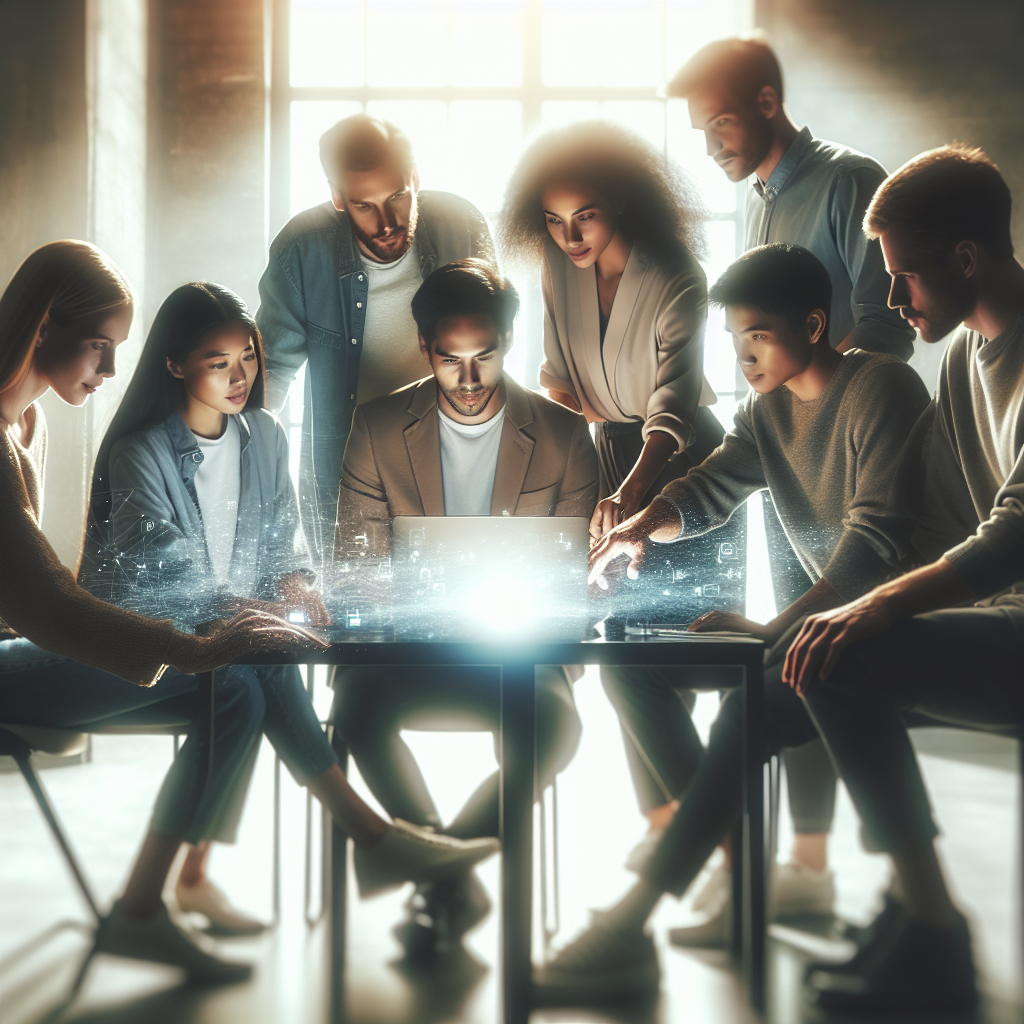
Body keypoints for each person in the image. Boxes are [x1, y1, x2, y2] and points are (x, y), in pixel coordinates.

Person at [535, 242, 930, 1000]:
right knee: (641, 666)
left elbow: (876, 549)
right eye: (734, 339)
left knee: (752, 703)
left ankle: (632, 921)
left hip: (900, 619)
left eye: (758, 335)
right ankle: (725, 853)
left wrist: (772, 628)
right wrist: (638, 528)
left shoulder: (883, 388)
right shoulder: (765, 410)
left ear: (813, 325)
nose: (743, 354)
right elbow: (710, 489)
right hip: (835, 623)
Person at [82, 281, 501, 937]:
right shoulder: (142, 451)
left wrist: (298, 582)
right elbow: (158, 569)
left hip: (230, 635)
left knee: (249, 673)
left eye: (246, 355)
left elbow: (285, 541)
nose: (239, 374)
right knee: (247, 672)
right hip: (149, 640)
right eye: (217, 362)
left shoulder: (264, 436)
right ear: (174, 364)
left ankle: (199, 878)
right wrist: (246, 608)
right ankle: (371, 834)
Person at [0, 240, 320, 984]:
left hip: (21, 642)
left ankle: (149, 904)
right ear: (43, 328)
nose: (110, 371)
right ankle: (149, 907)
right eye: (99, 348)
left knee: (236, 682)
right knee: (230, 678)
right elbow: (48, 604)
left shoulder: (28, 427)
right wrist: (190, 645)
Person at [664, 36, 917, 919]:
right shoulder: (759, 202)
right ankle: (795, 868)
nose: (713, 147)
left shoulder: (847, 180)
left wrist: (834, 410)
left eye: (722, 123)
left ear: (769, 102)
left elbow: (888, 324)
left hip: (848, 447)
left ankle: (810, 865)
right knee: (798, 653)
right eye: (701, 132)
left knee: (817, 640)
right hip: (784, 445)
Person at [782, 144, 1023, 1014]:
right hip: (1006, 623)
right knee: (820, 659)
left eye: (905, 276)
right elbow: (946, 522)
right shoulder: (962, 358)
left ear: (966, 259)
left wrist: (870, 610)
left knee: (847, 662)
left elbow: (1011, 538)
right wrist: (835, 605)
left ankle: (934, 937)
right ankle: (906, 904)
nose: (888, 301)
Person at [332, 259, 597, 958]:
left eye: (486, 357)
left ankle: (436, 872)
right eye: (452, 361)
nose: (470, 379)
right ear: (425, 350)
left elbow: (569, 588)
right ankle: (449, 878)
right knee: (355, 710)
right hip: (405, 653)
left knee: (556, 727)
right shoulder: (378, 427)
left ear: (510, 342)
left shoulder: (567, 436)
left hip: (520, 654)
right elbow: (356, 570)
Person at [499, 120, 728, 876]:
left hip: (689, 465)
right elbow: (558, 380)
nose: (569, 236)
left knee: (676, 651)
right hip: (612, 454)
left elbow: (673, 409)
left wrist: (631, 489)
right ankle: (672, 824)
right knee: (624, 646)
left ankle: (720, 846)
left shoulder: (676, 276)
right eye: (554, 221)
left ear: (622, 203)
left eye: (585, 215)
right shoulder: (557, 275)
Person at [257, 114, 495, 568]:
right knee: (353, 622)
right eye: (364, 205)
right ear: (338, 198)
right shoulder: (302, 251)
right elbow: (267, 382)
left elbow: (493, 348)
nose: (387, 223)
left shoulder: (461, 226)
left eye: (398, 197)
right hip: (347, 477)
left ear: (416, 179)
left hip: (456, 462)